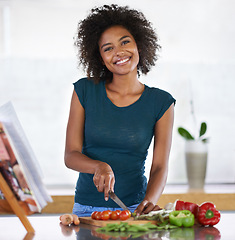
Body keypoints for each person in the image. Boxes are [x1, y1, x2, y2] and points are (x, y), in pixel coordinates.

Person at [64, 4, 175, 217]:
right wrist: (99, 166)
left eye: (125, 42)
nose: (119, 52)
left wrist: (149, 202)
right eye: (108, 48)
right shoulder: (84, 90)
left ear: (139, 46)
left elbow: (160, 166)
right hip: (86, 210)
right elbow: (71, 155)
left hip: (134, 209)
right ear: (100, 58)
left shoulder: (161, 102)